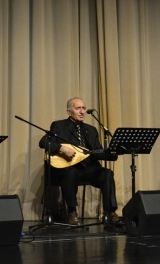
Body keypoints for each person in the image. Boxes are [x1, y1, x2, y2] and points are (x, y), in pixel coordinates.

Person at [39, 97, 122, 227]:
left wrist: (113, 153)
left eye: (83, 108)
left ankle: (110, 212)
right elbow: (43, 142)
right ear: (68, 112)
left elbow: (97, 151)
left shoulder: (91, 129)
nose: (82, 111)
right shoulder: (59, 126)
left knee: (107, 173)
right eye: (78, 108)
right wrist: (61, 148)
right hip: (67, 169)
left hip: (88, 168)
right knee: (71, 173)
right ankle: (72, 212)